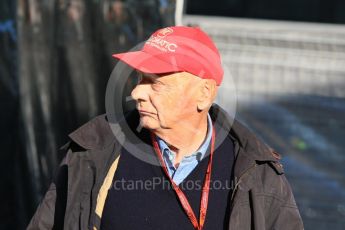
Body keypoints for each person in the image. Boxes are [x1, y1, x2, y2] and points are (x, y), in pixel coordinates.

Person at [27, 26, 304, 230]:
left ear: (204, 94)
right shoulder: (91, 154)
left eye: (155, 82)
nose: (137, 92)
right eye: (139, 78)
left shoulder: (257, 174)